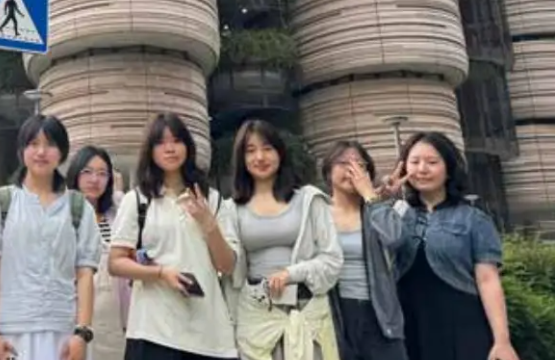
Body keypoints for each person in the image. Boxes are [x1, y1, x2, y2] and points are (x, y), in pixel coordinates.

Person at [108, 112, 239, 360]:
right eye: (161, 142)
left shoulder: (212, 200)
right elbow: (115, 263)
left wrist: (208, 224)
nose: (170, 149)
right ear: (151, 151)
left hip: (208, 334)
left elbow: (227, 266)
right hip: (153, 329)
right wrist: (161, 273)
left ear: (188, 146)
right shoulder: (137, 200)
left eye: (177, 140)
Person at [386, 132, 518, 360]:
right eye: (414, 162)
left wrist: (502, 341)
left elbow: (488, 280)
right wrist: (384, 199)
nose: (422, 169)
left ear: (448, 169)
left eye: (432, 162)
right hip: (408, 328)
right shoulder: (394, 217)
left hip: (462, 328)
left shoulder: (473, 219)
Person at [0, 114, 101, 360]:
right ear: (22, 150)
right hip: (9, 331)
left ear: (62, 152)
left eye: (50, 144)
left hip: (62, 333)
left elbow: (84, 274)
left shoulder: (78, 207)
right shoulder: (2, 201)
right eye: (33, 144)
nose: (41, 152)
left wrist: (82, 333)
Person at [229, 119, 342, 360]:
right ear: (241, 158)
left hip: (307, 311)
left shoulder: (309, 199)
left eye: (267, 148)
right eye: (250, 150)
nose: (260, 157)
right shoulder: (231, 209)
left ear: (280, 152)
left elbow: (332, 259)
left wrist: (290, 274)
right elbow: (232, 272)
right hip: (256, 316)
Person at [320, 140, 407, 360]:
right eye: (343, 163)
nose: (352, 170)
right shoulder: (318, 212)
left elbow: (395, 238)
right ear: (328, 171)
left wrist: (371, 197)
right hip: (336, 315)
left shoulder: (376, 209)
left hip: (381, 316)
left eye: (360, 164)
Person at [67, 145, 132, 360]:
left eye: (102, 174)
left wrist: (118, 193)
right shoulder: (63, 212)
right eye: (87, 172)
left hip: (114, 310)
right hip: (73, 310)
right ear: (75, 174)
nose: (94, 179)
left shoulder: (114, 214)